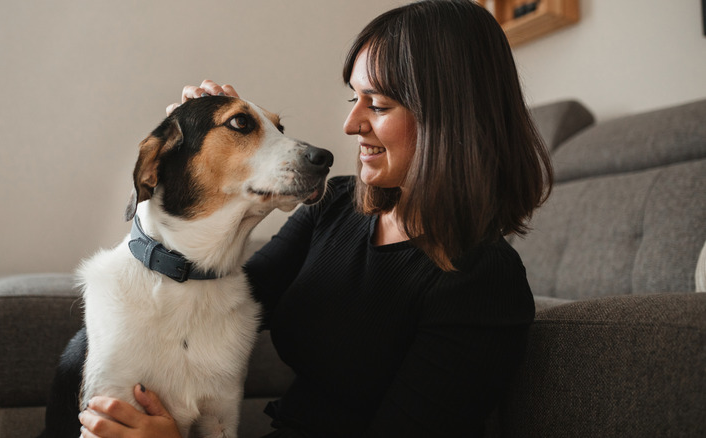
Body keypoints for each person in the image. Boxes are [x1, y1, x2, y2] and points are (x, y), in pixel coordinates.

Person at [77, 0, 552, 436]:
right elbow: (228, 296)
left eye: (379, 104)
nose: (351, 124)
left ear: (450, 117)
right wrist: (206, 143)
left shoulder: (484, 283)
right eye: (354, 99)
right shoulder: (339, 205)